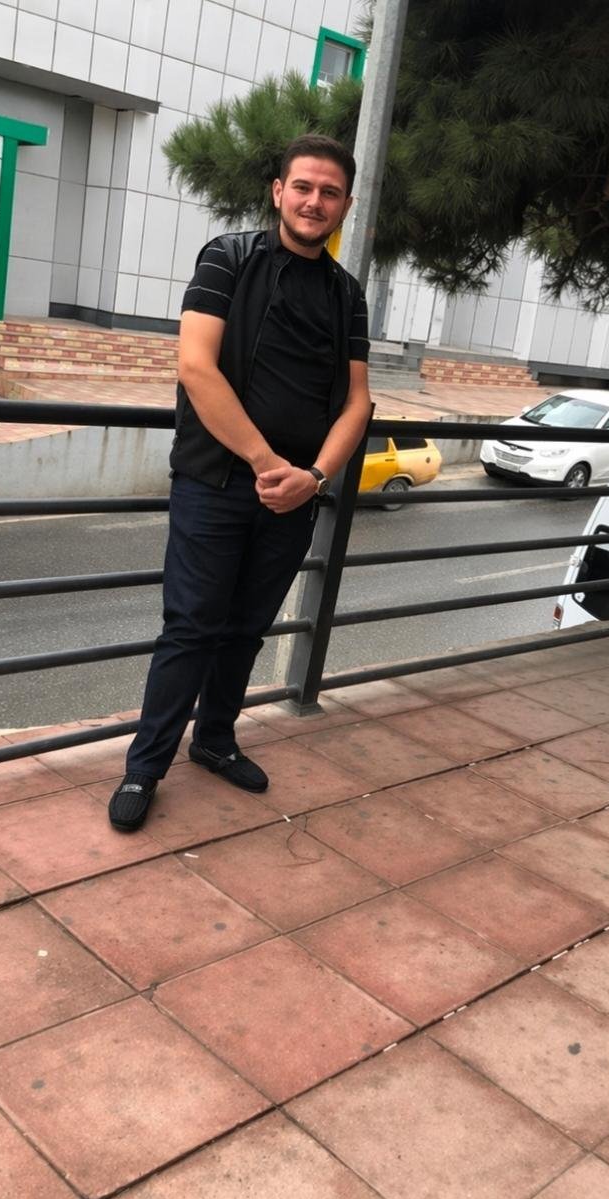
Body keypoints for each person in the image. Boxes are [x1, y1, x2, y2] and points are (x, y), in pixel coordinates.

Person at [108, 133, 371, 832]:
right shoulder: (227, 257)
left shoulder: (346, 294)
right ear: (278, 191)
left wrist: (313, 477)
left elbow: (358, 402)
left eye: (330, 192)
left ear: (345, 205)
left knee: (247, 629)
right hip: (217, 481)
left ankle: (216, 740)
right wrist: (265, 463)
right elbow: (195, 367)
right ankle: (144, 768)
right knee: (192, 626)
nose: (314, 202)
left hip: (295, 496)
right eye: (303, 187)